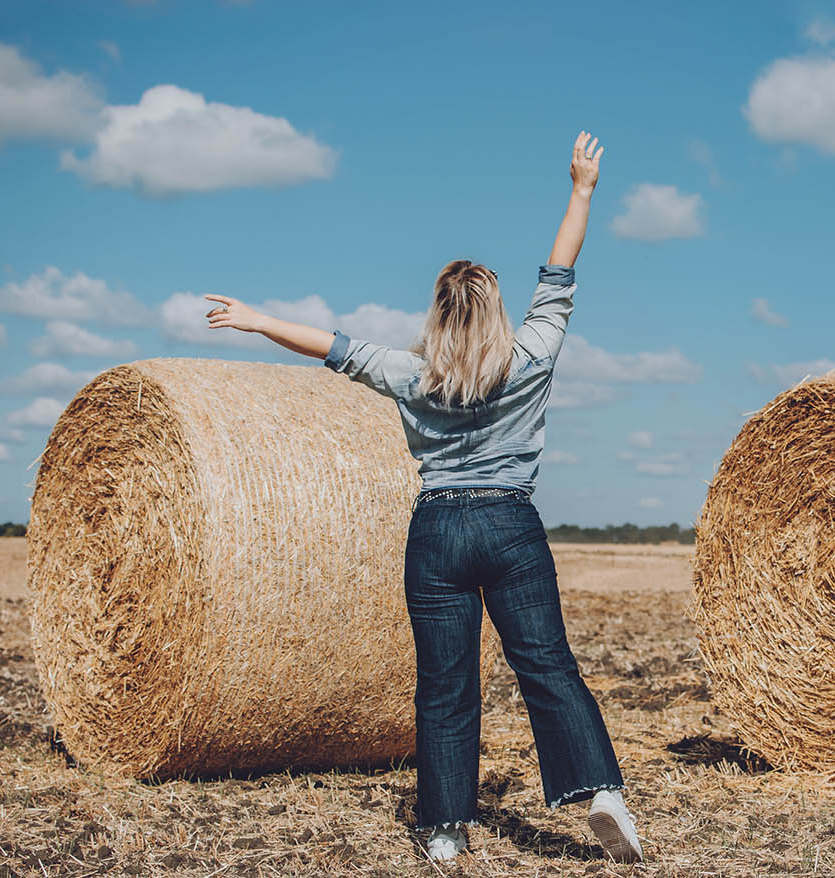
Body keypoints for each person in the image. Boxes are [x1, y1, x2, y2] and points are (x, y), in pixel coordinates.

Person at [201, 131, 640, 864]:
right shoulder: (531, 353)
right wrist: (582, 189)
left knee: (445, 684)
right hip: (510, 525)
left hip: (436, 531)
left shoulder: (409, 373)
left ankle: (442, 830)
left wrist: (256, 318)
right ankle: (599, 791)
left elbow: (331, 345)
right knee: (547, 665)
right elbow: (559, 268)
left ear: (437, 313)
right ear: (494, 311)